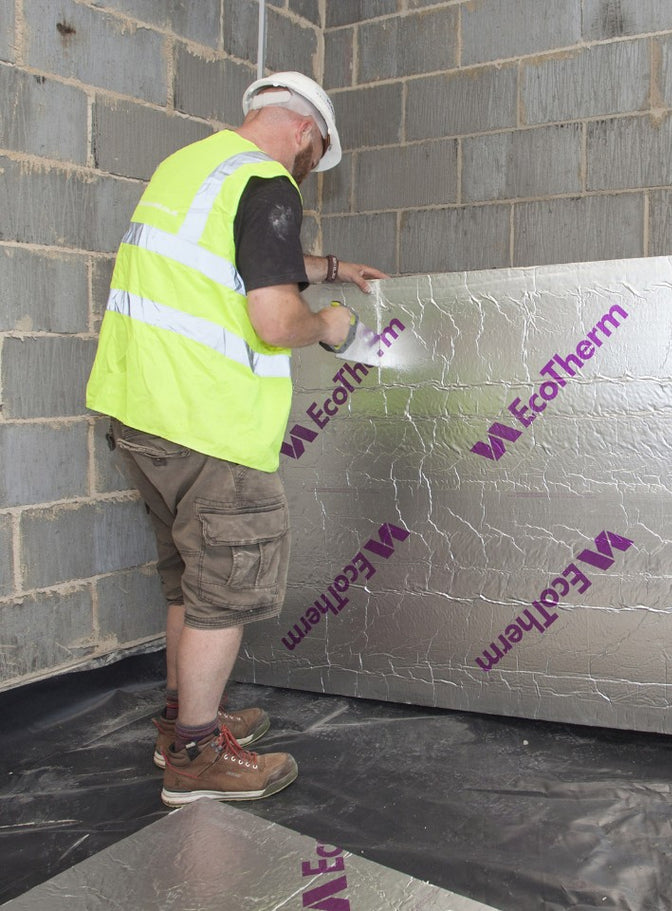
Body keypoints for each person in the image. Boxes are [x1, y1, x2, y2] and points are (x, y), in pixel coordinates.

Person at [85, 71, 387, 807]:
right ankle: (194, 756)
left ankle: (181, 718)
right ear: (306, 133)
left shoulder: (190, 169)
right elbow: (274, 319)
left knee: (187, 577)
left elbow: (236, 263)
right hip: (210, 425)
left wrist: (335, 268)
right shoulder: (269, 183)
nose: (307, 171)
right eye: (314, 157)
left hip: (144, 415)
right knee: (223, 587)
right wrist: (331, 326)